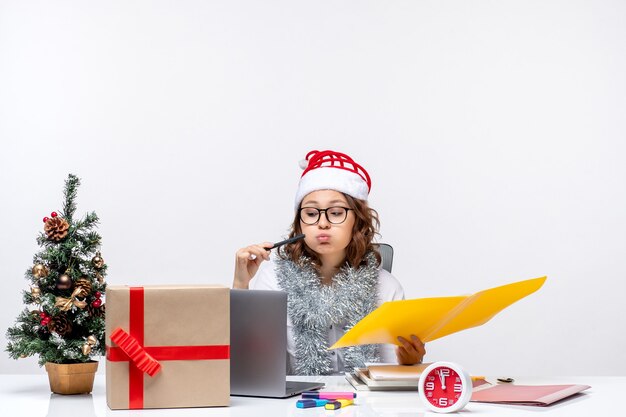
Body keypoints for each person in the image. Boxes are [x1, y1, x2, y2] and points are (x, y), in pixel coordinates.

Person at [233, 149, 425, 375]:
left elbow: (393, 374)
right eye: (312, 213)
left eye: (335, 213)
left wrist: (410, 362)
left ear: (358, 220)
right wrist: (240, 285)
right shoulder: (273, 280)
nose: (322, 223)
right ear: (300, 224)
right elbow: (250, 365)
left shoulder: (387, 287)